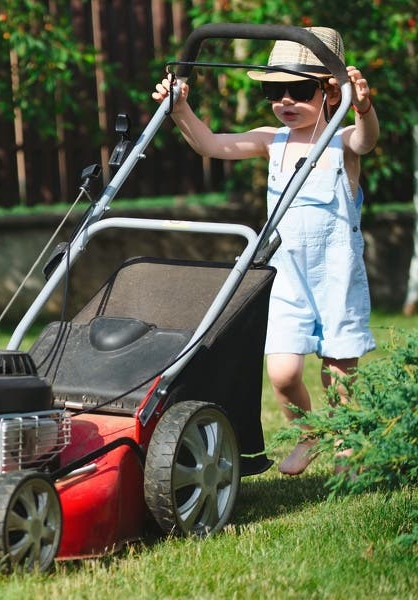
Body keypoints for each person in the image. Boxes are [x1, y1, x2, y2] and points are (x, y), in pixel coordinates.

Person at [152, 27, 379, 475]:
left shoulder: (342, 139)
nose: (285, 102)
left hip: (336, 271)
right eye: (276, 91)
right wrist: (180, 108)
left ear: (330, 93)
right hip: (286, 274)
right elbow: (212, 144)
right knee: (282, 373)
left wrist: (365, 108)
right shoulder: (270, 140)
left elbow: (366, 139)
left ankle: (347, 443)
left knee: (339, 371)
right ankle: (307, 432)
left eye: (298, 90)